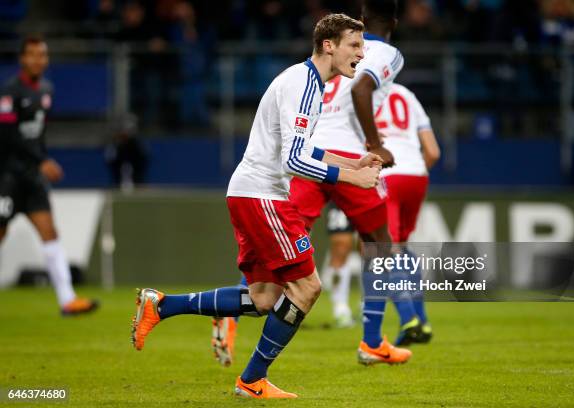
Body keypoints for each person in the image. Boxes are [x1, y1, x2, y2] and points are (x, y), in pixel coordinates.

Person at [131, 13, 384, 399]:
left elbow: (307, 149)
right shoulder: (302, 85)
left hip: (253, 193)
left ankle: (161, 305)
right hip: (263, 195)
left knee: (266, 298)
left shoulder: (308, 84)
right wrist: (355, 179)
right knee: (307, 288)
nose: (361, 54)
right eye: (355, 45)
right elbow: (294, 163)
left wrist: (352, 161)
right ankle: (251, 380)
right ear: (329, 45)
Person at [288, 0, 414, 365]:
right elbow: (361, 90)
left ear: (361, 15)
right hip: (349, 162)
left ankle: (231, 309)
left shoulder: (339, 45)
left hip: (310, 156)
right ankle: (371, 342)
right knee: (380, 244)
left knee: (285, 246)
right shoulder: (386, 51)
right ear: (393, 20)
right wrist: (377, 145)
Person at [0, 36, 99, 316]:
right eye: (32, 54)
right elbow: (6, 136)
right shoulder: (9, 92)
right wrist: (41, 160)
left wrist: (39, 160)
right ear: (22, 58)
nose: (37, 60)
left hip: (31, 178)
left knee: (49, 231)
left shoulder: (46, 89)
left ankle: (67, 299)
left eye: (42, 55)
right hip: (7, 175)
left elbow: (37, 136)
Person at [376, 82, 440, 345]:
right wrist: (415, 170)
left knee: (384, 250)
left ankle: (408, 319)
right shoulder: (407, 95)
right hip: (416, 175)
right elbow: (434, 152)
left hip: (387, 174)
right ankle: (422, 322)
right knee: (400, 246)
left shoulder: (360, 92)